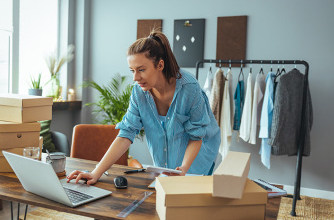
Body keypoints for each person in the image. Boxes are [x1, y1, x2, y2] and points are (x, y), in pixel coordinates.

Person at [67, 30, 220, 185]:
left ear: (160, 65)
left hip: (196, 159)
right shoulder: (138, 93)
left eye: (141, 69)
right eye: (132, 71)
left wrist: (184, 168)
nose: (135, 77)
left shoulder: (189, 88)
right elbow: (126, 134)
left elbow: (196, 136)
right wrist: (95, 173)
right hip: (167, 166)